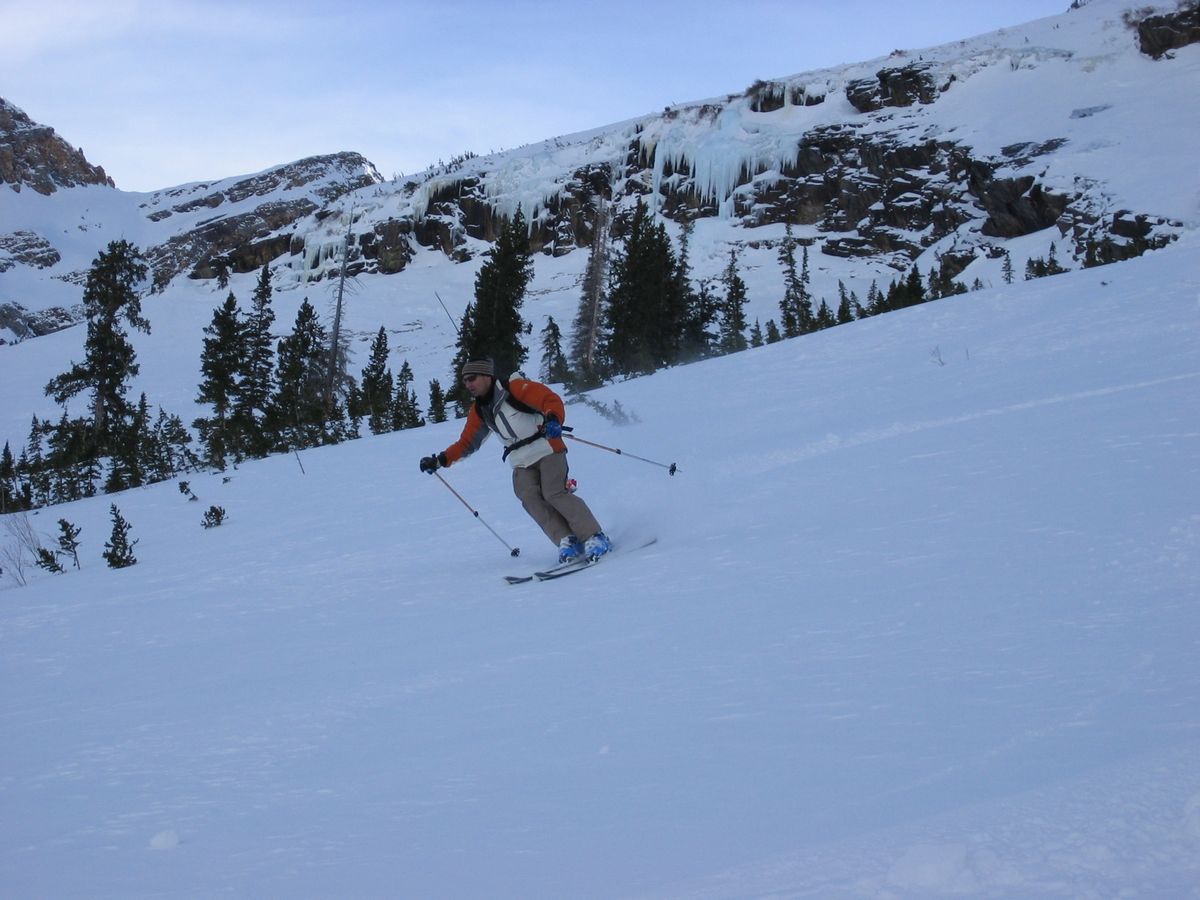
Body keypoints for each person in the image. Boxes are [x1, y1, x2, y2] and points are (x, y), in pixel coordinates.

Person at [419, 358, 612, 563]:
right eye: (465, 381)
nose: (468, 384)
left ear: (486, 376)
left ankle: (594, 536)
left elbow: (549, 399)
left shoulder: (515, 388)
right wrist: (440, 460)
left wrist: (553, 419)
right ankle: (568, 540)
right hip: (520, 460)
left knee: (554, 492)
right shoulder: (479, 410)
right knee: (529, 498)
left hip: (546, 447)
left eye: (472, 378)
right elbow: (467, 442)